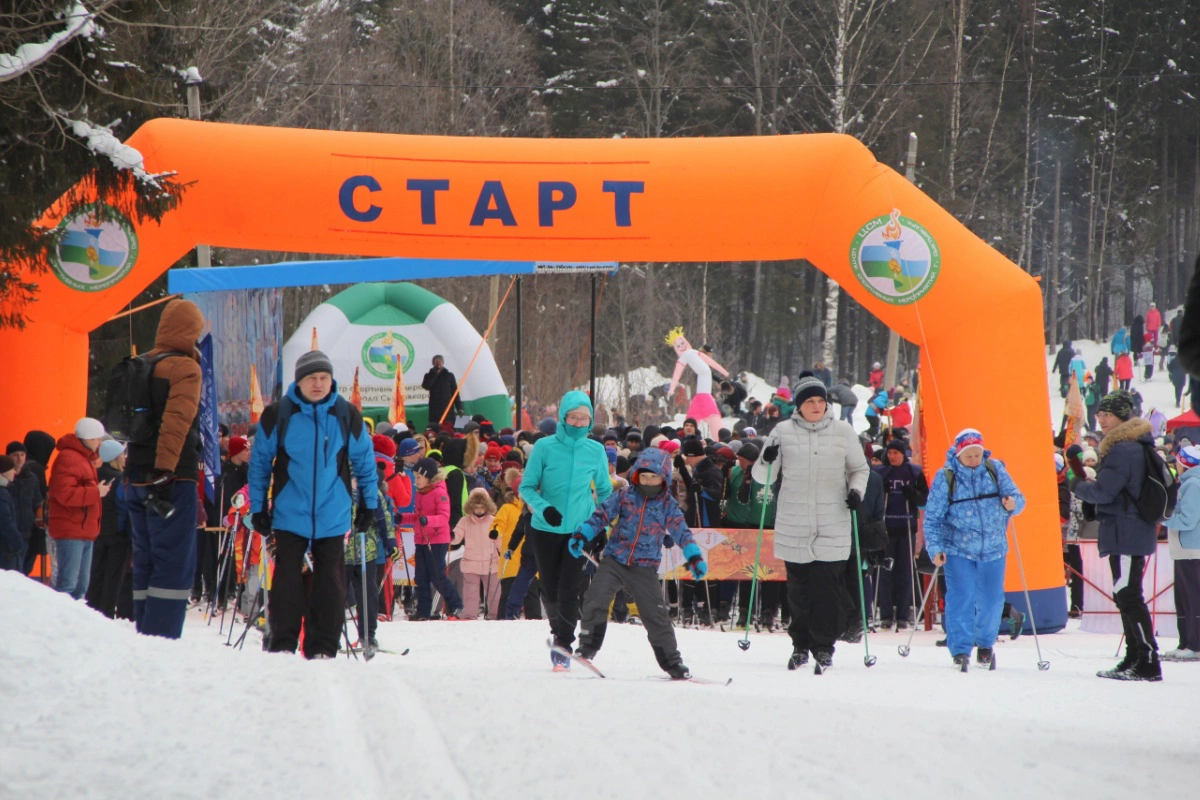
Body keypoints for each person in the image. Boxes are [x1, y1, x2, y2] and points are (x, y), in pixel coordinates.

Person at [249, 349, 384, 658]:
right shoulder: (278, 414)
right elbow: (259, 464)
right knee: (286, 582)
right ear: (299, 381)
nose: (319, 384)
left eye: (324, 377)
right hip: (289, 511)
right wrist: (258, 508)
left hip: (332, 511)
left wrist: (368, 505)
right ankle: (282, 643)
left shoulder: (346, 414)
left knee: (330, 582)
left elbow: (365, 462)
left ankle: (323, 646)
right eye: (312, 378)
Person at [751, 376, 869, 672]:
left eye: (820, 401)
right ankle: (799, 646)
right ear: (799, 406)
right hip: (795, 523)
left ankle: (824, 647)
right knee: (798, 591)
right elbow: (762, 477)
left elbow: (859, 468)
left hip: (833, 522)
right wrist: (766, 459)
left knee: (827, 590)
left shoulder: (843, 431)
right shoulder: (782, 431)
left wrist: (856, 491)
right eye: (809, 402)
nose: (815, 406)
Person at [570, 448, 705, 679]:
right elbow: (601, 515)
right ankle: (587, 647)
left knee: (655, 614)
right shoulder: (624, 496)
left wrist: (694, 556)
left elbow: (681, 531)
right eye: (644, 476)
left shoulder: (667, 505)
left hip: (644, 566)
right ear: (636, 476)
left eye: (654, 476)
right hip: (615, 559)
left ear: (663, 477)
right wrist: (582, 534)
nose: (648, 481)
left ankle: (672, 662)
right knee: (596, 597)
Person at [1065, 390, 1162, 680]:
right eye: (1100, 414)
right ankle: (1134, 656)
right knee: (1124, 594)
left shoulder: (1123, 449)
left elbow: (1103, 491)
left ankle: (1147, 660)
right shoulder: (1132, 445)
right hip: (1126, 528)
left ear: (1121, 417)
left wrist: (1076, 484)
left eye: (1106, 414)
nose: (1101, 419)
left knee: (1129, 595)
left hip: (1127, 529)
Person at [123, 299, 205, 639]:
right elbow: (176, 424)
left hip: (133, 478)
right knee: (173, 566)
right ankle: (160, 646)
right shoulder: (185, 368)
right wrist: (165, 474)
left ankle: (144, 636)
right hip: (170, 479)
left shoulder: (139, 365)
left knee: (144, 561)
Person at [519, 390, 612, 669]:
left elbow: (605, 490)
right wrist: (543, 507)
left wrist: (601, 525)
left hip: (580, 530)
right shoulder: (544, 447)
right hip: (545, 528)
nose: (579, 423)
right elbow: (526, 486)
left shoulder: (595, 450)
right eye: (574, 417)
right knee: (548, 587)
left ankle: (563, 644)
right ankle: (558, 630)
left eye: (585, 419)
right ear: (563, 417)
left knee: (569, 587)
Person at [923, 429, 1025, 670]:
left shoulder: (995, 469)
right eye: (968, 456)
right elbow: (933, 518)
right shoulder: (946, 476)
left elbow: (1018, 498)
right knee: (961, 598)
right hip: (958, 549)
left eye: (977, 455)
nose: (974, 460)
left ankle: (986, 644)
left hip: (994, 548)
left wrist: (1013, 504)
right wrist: (935, 548)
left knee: (991, 601)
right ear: (958, 454)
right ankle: (960, 649)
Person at [48, 418, 112, 600]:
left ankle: (71, 624)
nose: (100, 443)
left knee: (80, 585)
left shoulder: (82, 458)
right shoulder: (69, 458)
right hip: (71, 530)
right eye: (98, 439)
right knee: (69, 584)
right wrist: (95, 492)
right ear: (89, 438)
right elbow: (64, 493)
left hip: (83, 529)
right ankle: (60, 623)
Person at [874, 439, 928, 630]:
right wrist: (882, 490)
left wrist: (912, 493)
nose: (892, 456)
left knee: (905, 572)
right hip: (887, 529)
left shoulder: (914, 471)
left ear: (903, 453)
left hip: (906, 528)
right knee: (886, 572)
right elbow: (872, 496)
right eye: (889, 453)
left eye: (896, 453)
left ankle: (904, 614)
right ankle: (886, 614)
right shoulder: (880, 472)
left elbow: (924, 500)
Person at [403, 457, 465, 620]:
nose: (415, 481)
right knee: (420, 577)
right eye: (415, 477)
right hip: (421, 539)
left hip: (437, 540)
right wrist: (401, 518)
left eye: (418, 477)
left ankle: (456, 605)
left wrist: (428, 520)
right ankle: (423, 611)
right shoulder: (420, 494)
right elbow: (417, 516)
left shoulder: (439, 492)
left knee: (437, 575)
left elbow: (444, 517)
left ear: (428, 477)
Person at [86, 439, 132, 618]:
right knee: (113, 577)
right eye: (122, 454)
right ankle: (105, 614)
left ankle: (91, 610)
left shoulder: (94, 475)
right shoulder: (120, 479)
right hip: (117, 534)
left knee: (96, 573)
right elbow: (125, 506)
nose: (124, 457)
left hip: (97, 531)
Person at [1163, 445, 1200, 661]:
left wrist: (1164, 519)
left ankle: (1194, 644)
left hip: (1192, 550)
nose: (1174, 465)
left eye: (1177, 461)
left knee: (1192, 598)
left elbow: (1188, 519)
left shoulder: (1193, 484)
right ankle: (1186, 642)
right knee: (1184, 598)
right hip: (1185, 550)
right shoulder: (1188, 483)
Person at [452, 487, 501, 619]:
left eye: (482, 507)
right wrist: (451, 536)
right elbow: (457, 536)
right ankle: (469, 616)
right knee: (470, 593)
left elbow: (500, 540)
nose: (479, 510)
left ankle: (495, 616)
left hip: (492, 564)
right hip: (471, 564)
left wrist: (505, 549)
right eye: (476, 506)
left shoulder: (493, 520)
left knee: (494, 594)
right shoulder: (465, 521)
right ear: (470, 506)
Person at [4, 441, 42, 574]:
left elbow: (37, 502)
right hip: (8, 535)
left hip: (27, 533)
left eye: (22, 454)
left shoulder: (31, 478)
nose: (20, 459)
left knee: (24, 571)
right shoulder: (5, 480)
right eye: (15, 455)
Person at [421, 355, 464, 430]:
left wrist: (459, 408)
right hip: (435, 410)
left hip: (448, 409)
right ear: (433, 363)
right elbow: (426, 386)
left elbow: (455, 392)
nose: (438, 363)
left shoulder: (449, 376)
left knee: (449, 428)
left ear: (443, 363)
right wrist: (434, 375)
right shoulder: (428, 375)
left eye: (440, 361)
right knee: (436, 428)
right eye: (436, 361)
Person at [0, 456, 23, 571]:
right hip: (5, 550)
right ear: (3, 471)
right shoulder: (2, 493)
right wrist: (17, 541)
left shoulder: (5, 491)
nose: (14, 471)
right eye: (11, 468)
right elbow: (5, 521)